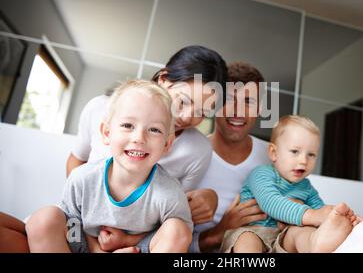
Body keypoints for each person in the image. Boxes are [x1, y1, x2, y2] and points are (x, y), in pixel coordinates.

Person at [0, 45, 227, 253]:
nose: (187, 116)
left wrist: (126, 241)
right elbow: (75, 173)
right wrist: (92, 215)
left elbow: (174, 222)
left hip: (138, 240)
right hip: (84, 230)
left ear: (167, 144)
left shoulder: (194, 154)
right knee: (40, 222)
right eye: (183, 101)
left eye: (202, 112)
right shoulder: (100, 110)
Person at [26, 80, 193, 253]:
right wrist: (94, 249)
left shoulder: (170, 193)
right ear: (107, 133)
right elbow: (72, 222)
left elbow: (180, 236)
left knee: (177, 230)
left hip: (138, 249)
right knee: (43, 219)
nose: (139, 138)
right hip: (86, 245)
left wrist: (129, 242)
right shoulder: (82, 179)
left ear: (167, 144)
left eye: (154, 130)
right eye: (128, 125)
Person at [220, 115, 362, 253]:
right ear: (274, 153)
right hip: (252, 230)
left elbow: (320, 212)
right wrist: (312, 215)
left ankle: (315, 243)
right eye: (295, 151)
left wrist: (341, 219)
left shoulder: (306, 187)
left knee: (301, 231)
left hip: (282, 238)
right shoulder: (261, 174)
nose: (303, 160)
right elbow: (271, 202)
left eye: (311, 154)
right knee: (246, 239)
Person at [191, 62, 271, 253]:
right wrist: (220, 231)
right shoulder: (190, 154)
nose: (238, 110)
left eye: (249, 102)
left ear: (259, 108)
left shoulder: (273, 156)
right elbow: (163, 242)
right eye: (229, 99)